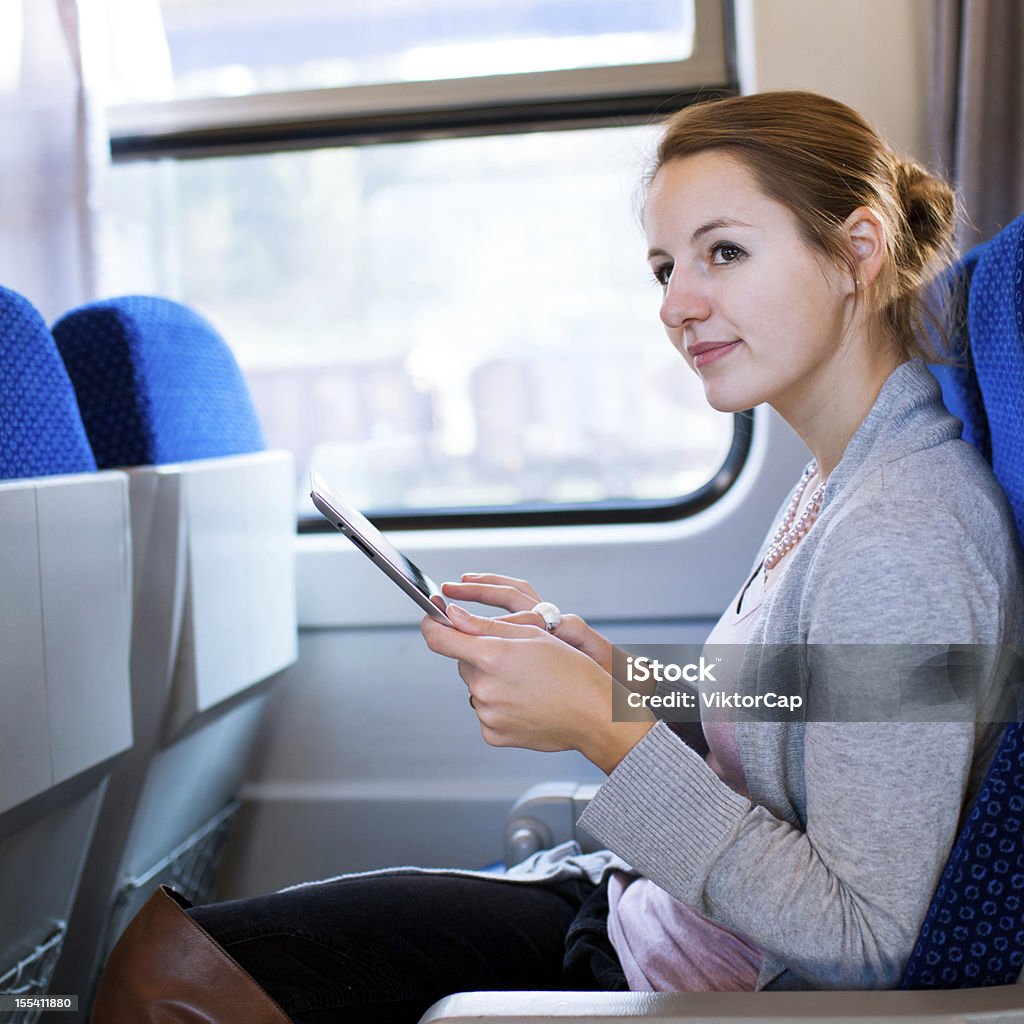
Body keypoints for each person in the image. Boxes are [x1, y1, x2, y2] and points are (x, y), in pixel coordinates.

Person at [90, 91, 1024, 1023]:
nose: (675, 305)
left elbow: (866, 942)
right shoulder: (838, 480)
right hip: (643, 910)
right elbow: (823, 697)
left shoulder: (903, 532)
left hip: (684, 983)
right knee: (211, 951)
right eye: (663, 268)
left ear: (857, 251)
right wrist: (614, 679)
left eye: (723, 253)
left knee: (176, 982)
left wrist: (599, 731)